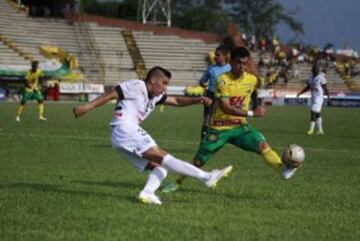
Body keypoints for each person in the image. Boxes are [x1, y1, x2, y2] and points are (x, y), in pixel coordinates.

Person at [73, 66, 233, 205]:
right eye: (164, 83)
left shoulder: (155, 96)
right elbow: (111, 94)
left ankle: (147, 193)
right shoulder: (137, 85)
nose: (165, 88)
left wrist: (198, 100)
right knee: (165, 158)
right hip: (125, 129)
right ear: (153, 80)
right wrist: (86, 107)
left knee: (160, 168)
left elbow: (177, 100)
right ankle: (207, 177)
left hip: (119, 138)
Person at [162, 47, 300, 193]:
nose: (242, 67)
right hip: (219, 127)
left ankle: (283, 170)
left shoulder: (252, 79)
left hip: (240, 127)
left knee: (263, 145)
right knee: (198, 161)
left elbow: (253, 93)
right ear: (231, 62)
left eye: (245, 64)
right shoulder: (222, 80)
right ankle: (177, 183)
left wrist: (258, 104)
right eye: (239, 63)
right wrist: (253, 112)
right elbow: (226, 108)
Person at [199, 46, 231, 139]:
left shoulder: (230, 68)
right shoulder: (211, 68)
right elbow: (202, 81)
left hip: (225, 97)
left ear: (225, 56)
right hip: (211, 96)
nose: (215, 57)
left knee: (222, 120)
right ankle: (203, 141)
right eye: (215, 54)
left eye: (218, 55)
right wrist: (205, 86)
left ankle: (218, 139)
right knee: (207, 120)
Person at [297, 62, 330, 135]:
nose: (316, 70)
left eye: (317, 68)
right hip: (313, 98)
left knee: (312, 112)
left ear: (318, 70)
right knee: (317, 114)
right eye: (315, 68)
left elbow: (325, 88)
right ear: (312, 69)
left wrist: (329, 98)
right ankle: (320, 130)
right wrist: (300, 93)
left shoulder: (321, 78)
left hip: (319, 98)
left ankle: (311, 130)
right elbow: (308, 87)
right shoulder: (311, 77)